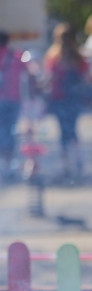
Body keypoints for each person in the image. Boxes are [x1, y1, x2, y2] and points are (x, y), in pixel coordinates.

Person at [43, 23, 90, 180]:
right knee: (73, 131)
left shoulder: (53, 56)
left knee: (63, 131)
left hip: (59, 98)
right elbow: (86, 77)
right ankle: (77, 160)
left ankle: (66, 165)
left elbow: (49, 78)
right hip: (73, 99)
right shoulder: (79, 56)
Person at [0, 30, 28, 181]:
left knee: (2, 131)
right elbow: (30, 73)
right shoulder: (17, 56)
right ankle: (8, 164)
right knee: (10, 131)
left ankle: (3, 166)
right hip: (13, 99)